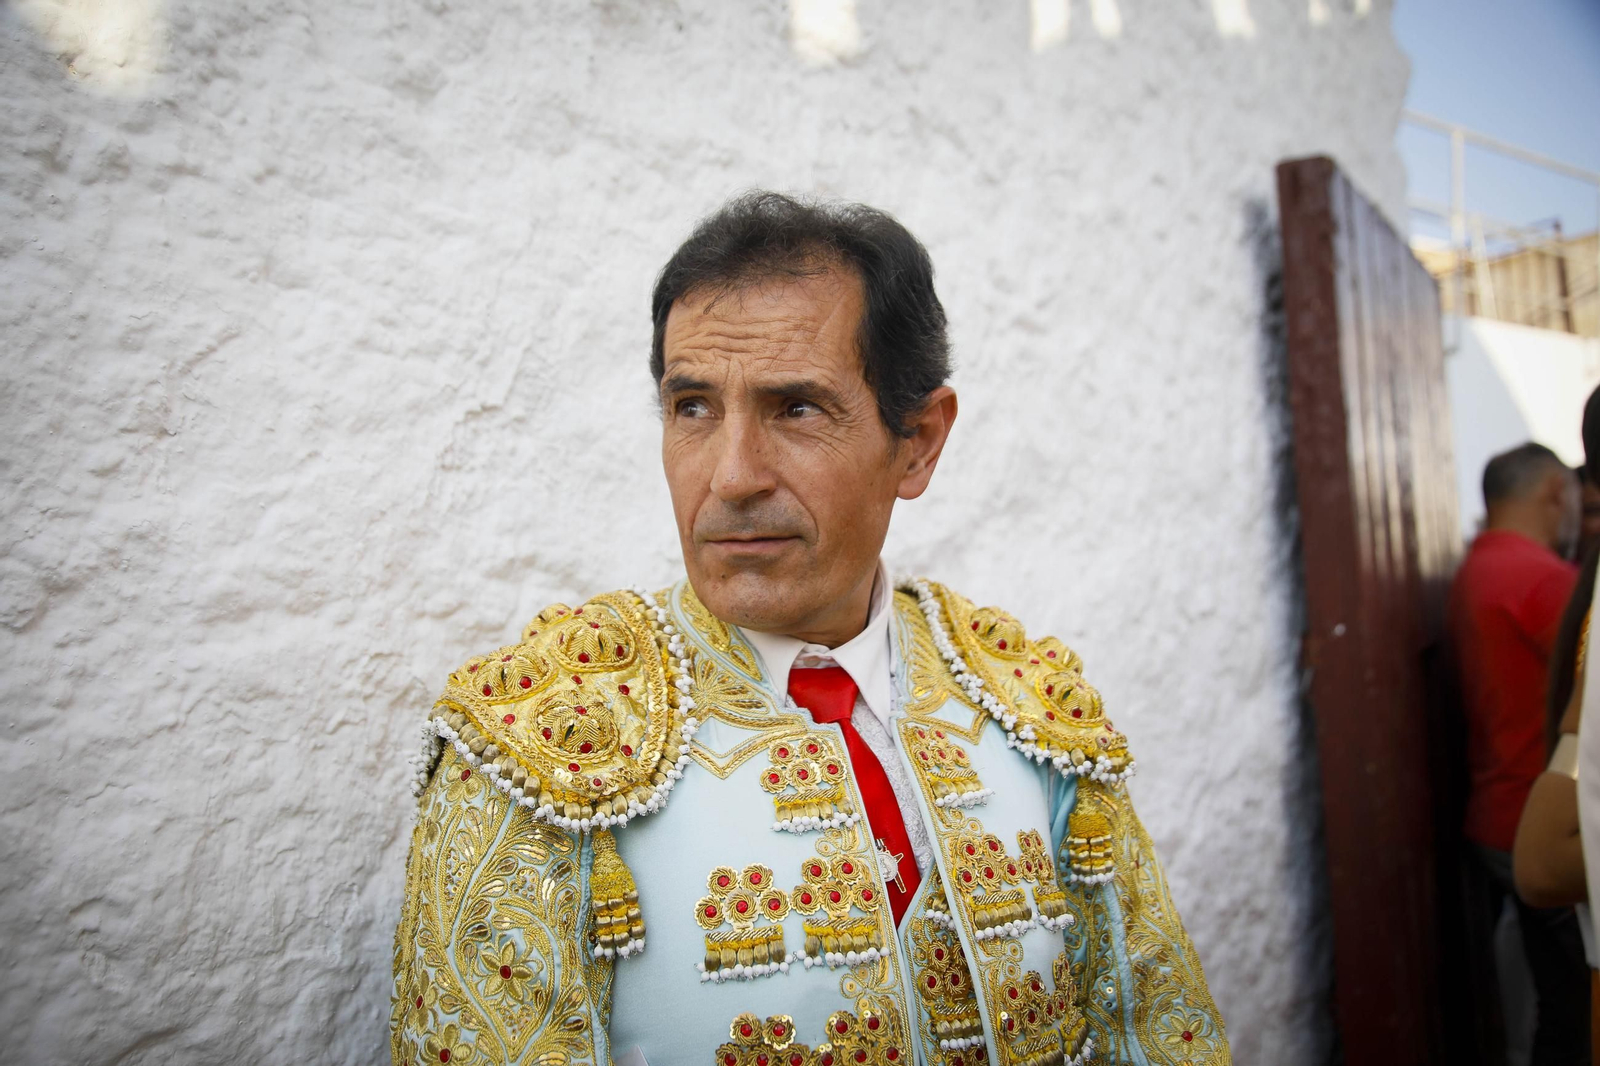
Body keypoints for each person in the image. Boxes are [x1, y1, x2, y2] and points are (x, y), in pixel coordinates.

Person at [389, 193, 1227, 1065]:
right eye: (694, 408)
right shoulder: (539, 743)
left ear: (918, 443)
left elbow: (1162, 1037)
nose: (733, 476)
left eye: (796, 409)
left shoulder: (1033, 710)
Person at [1450, 441, 1586, 1064]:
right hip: (1539, 822)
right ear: (1557, 491)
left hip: (1498, 811)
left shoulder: (1479, 565)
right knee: (1571, 1012)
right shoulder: (1541, 578)